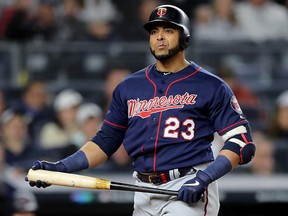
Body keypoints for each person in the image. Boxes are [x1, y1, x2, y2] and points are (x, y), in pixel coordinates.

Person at [26, 5, 256, 216]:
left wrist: (204, 179)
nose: (160, 37)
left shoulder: (211, 85)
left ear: (184, 37)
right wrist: (61, 168)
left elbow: (242, 143)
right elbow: (105, 141)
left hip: (188, 184)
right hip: (142, 189)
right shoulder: (129, 86)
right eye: (154, 31)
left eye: (168, 30)